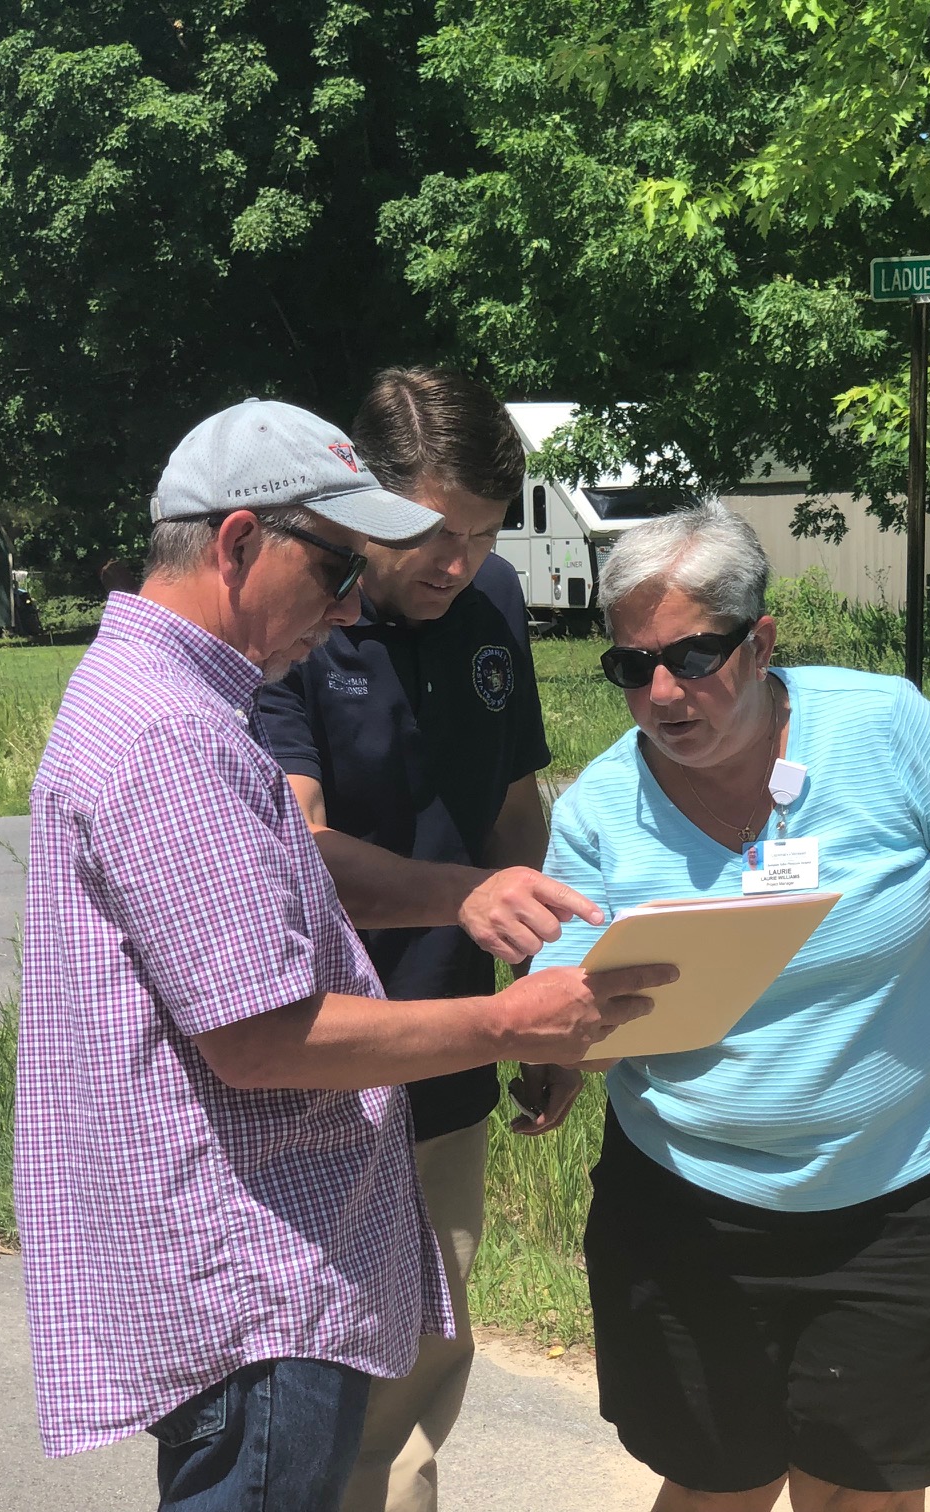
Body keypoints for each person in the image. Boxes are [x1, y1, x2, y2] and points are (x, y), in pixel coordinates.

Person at [14, 396, 671, 1511]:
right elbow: (263, 1042)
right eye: (334, 568)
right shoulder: (177, 732)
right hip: (256, 1269)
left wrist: (465, 894)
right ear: (236, 544)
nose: (353, 597)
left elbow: (284, 863)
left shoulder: (168, 694)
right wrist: (511, 1022)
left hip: (259, 1243)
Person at [530, 506, 930, 1512]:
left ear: (761, 641)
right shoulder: (598, 811)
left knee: (868, 1489)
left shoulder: (883, 729)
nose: (663, 694)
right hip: (686, 1208)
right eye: (633, 668)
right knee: (718, 1484)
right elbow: (564, 1017)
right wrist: (558, 1053)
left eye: (693, 656)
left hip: (903, 1197)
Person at [255, 369, 593, 1512]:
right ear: (369, 503)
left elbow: (511, 806)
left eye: (485, 535)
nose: (459, 563)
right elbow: (294, 848)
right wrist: (460, 897)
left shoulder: (491, 601)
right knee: (309, 1390)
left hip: (456, 1048)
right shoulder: (297, 619)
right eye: (436, 536)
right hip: (317, 1060)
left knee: (419, 1376)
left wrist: (545, 987)